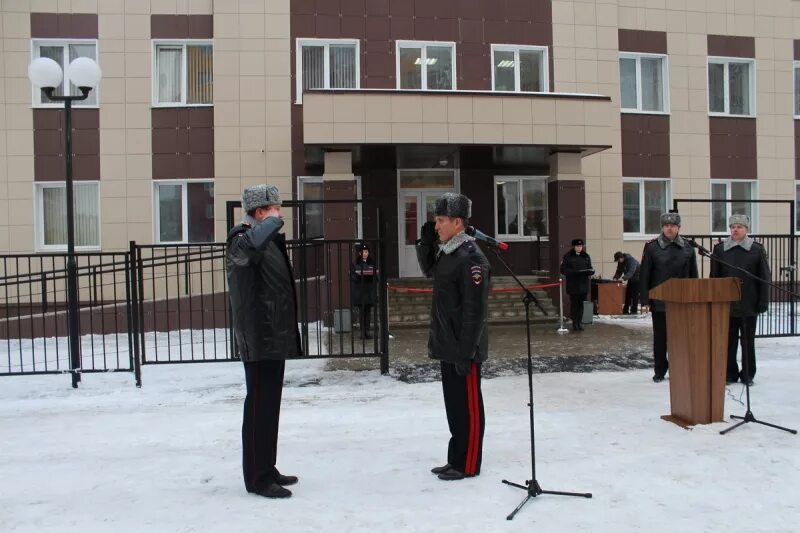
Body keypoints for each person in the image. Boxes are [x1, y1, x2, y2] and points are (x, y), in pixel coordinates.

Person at [226, 184, 302, 499]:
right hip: (259, 337)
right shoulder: (240, 240)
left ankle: (267, 468)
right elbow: (245, 253)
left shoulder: (263, 240)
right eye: (275, 209)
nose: (280, 215)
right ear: (260, 212)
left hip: (273, 335)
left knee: (269, 407)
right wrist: (271, 223)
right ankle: (257, 478)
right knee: (258, 407)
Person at [416, 192, 490, 481]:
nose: (437, 226)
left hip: (464, 348)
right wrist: (425, 243)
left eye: (441, 220)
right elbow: (430, 271)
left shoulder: (471, 258)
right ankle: (455, 458)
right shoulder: (448, 253)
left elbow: (475, 312)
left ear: (458, 222)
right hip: (448, 344)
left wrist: (466, 351)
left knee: (468, 407)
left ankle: (468, 463)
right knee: (455, 408)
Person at [710, 214, 771, 385]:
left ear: (746, 230)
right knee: (728, 342)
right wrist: (714, 300)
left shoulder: (756, 249)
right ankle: (729, 373)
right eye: (733, 227)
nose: (735, 230)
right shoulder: (720, 249)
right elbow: (714, 277)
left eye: (739, 227)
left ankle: (748, 374)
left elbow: (764, 277)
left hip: (749, 303)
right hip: (726, 304)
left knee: (747, 342)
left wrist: (763, 301)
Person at [639, 212, 698, 383]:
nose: (669, 228)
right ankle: (660, 370)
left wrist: (694, 297)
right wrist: (645, 300)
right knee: (660, 338)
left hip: (682, 301)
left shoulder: (688, 247)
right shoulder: (652, 247)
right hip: (660, 302)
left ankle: (679, 368)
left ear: (679, 228)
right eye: (666, 225)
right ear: (662, 228)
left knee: (680, 339)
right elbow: (645, 275)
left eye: (672, 226)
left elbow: (693, 275)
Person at [560, 239, 594, 331]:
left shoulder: (586, 256)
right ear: (574, 247)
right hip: (573, 285)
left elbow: (589, 267)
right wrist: (574, 272)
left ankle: (579, 322)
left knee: (581, 305)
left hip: (583, 285)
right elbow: (563, 270)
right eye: (577, 246)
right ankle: (575, 323)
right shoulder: (568, 256)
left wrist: (590, 271)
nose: (579, 248)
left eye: (580, 246)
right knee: (575, 305)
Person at [350, 242, 378, 339]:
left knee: (368, 312)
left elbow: (377, 276)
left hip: (369, 292)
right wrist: (359, 276)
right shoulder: (355, 263)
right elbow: (352, 276)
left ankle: (367, 331)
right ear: (360, 253)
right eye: (363, 252)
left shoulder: (372, 262)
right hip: (360, 292)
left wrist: (373, 275)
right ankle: (362, 331)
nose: (365, 253)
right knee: (362, 312)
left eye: (367, 252)